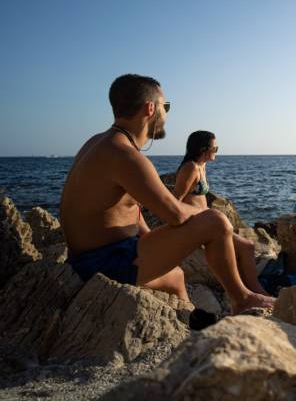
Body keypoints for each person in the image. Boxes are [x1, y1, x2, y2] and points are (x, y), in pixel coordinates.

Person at [60, 74, 274, 313]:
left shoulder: (98, 143)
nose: (167, 113)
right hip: (104, 262)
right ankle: (242, 299)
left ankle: (189, 322)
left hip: (93, 256)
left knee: (176, 277)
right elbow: (175, 215)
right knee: (216, 221)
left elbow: (128, 209)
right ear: (150, 108)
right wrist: (201, 218)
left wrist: (156, 241)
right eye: (166, 106)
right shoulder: (126, 157)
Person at [174, 130, 270, 296]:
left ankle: (249, 288)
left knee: (244, 248)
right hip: (198, 224)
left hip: (206, 220)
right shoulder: (190, 168)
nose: (217, 151)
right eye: (215, 148)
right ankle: (255, 291)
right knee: (247, 247)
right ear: (204, 149)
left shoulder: (201, 166)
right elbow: (176, 200)